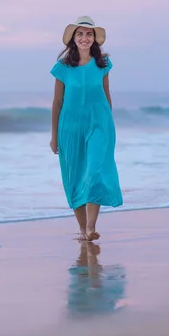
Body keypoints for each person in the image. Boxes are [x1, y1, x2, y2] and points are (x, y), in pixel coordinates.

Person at [50, 16, 123, 241]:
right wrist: (54, 136)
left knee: (94, 172)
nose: (84, 38)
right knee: (74, 177)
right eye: (80, 34)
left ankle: (91, 228)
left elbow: (107, 95)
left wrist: (109, 127)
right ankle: (82, 230)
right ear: (73, 38)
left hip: (100, 124)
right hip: (70, 127)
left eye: (88, 34)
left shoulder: (102, 65)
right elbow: (57, 103)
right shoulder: (63, 68)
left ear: (94, 39)